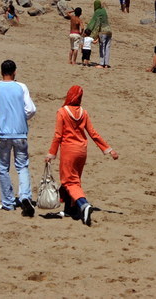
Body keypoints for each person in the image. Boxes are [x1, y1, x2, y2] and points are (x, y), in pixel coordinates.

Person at [45, 86, 118, 226]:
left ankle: (83, 204)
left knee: (69, 181)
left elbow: (58, 135)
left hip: (68, 151)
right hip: (82, 151)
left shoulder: (62, 112)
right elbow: (93, 133)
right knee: (74, 179)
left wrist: (51, 154)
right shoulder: (84, 112)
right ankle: (70, 209)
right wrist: (108, 149)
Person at [0, 60, 36, 216]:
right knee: (22, 166)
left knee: (3, 167)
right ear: (14, 71)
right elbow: (31, 109)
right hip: (20, 132)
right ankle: (25, 196)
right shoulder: (21, 87)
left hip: (3, 133)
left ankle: (8, 202)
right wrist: (21, 118)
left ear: (1, 71)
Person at [85, 0, 112, 69]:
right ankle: (106, 64)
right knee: (107, 48)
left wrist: (88, 30)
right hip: (109, 31)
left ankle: (101, 64)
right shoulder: (104, 10)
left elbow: (93, 22)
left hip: (102, 32)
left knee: (102, 47)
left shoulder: (97, 12)